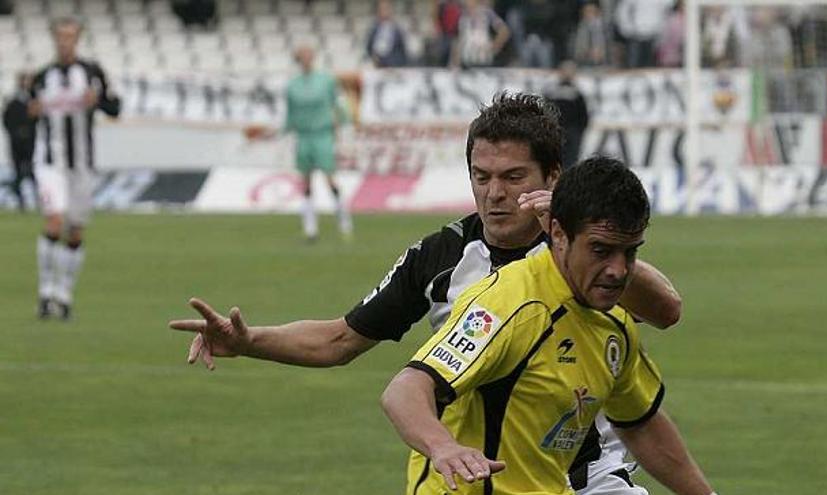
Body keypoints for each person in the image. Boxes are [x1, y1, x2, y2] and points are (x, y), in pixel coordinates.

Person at [170, 93, 682, 495]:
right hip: (483, 471)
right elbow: (340, 340)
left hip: (588, 467)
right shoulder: (442, 258)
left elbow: (666, 311)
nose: (495, 194)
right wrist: (249, 340)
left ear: (552, 177)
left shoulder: (591, 252)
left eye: (512, 177)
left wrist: (573, 228)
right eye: (481, 178)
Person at [382, 157, 717, 495]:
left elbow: (641, 424)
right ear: (558, 233)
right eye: (600, 250)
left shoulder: (615, 323)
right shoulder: (511, 305)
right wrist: (443, 447)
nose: (618, 270)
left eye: (628, 253)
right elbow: (406, 389)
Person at [32, 17, 121, 320]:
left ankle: (64, 294)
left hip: (82, 164)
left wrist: (99, 102)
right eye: (60, 37)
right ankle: (45, 293)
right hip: (49, 162)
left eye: (70, 37)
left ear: (77, 39)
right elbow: (23, 113)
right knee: (54, 222)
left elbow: (115, 108)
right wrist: (29, 113)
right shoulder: (41, 77)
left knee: (75, 232)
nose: (65, 42)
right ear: (54, 40)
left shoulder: (92, 72)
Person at [250, 45, 352, 242]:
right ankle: (310, 229)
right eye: (302, 56)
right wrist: (275, 133)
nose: (306, 59)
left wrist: (346, 126)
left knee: (329, 179)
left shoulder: (326, 80)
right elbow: (290, 116)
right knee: (305, 183)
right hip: (303, 136)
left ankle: (344, 221)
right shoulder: (293, 86)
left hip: (322, 135)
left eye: (308, 55)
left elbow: (338, 105)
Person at [544, 61, 590, 169]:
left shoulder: (576, 92)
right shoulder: (551, 91)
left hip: (572, 131)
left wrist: (579, 131)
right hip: (556, 131)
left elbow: (583, 114)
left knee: (571, 161)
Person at [2, 71, 38, 212]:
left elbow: (37, 120)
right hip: (16, 143)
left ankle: (37, 200)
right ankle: (21, 201)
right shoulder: (13, 102)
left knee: (31, 172)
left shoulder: (33, 101)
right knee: (19, 172)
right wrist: (16, 133)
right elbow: (6, 121)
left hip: (30, 143)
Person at [366, 0, 409, 67]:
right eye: (382, 9)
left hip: (394, 68)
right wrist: (374, 58)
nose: (384, 11)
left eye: (386, 8)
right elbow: (369, 48)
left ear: (391, 10)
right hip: (378, 67)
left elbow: (403, 51)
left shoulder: (397, 29)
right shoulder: (374, 29)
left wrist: (396, 64)